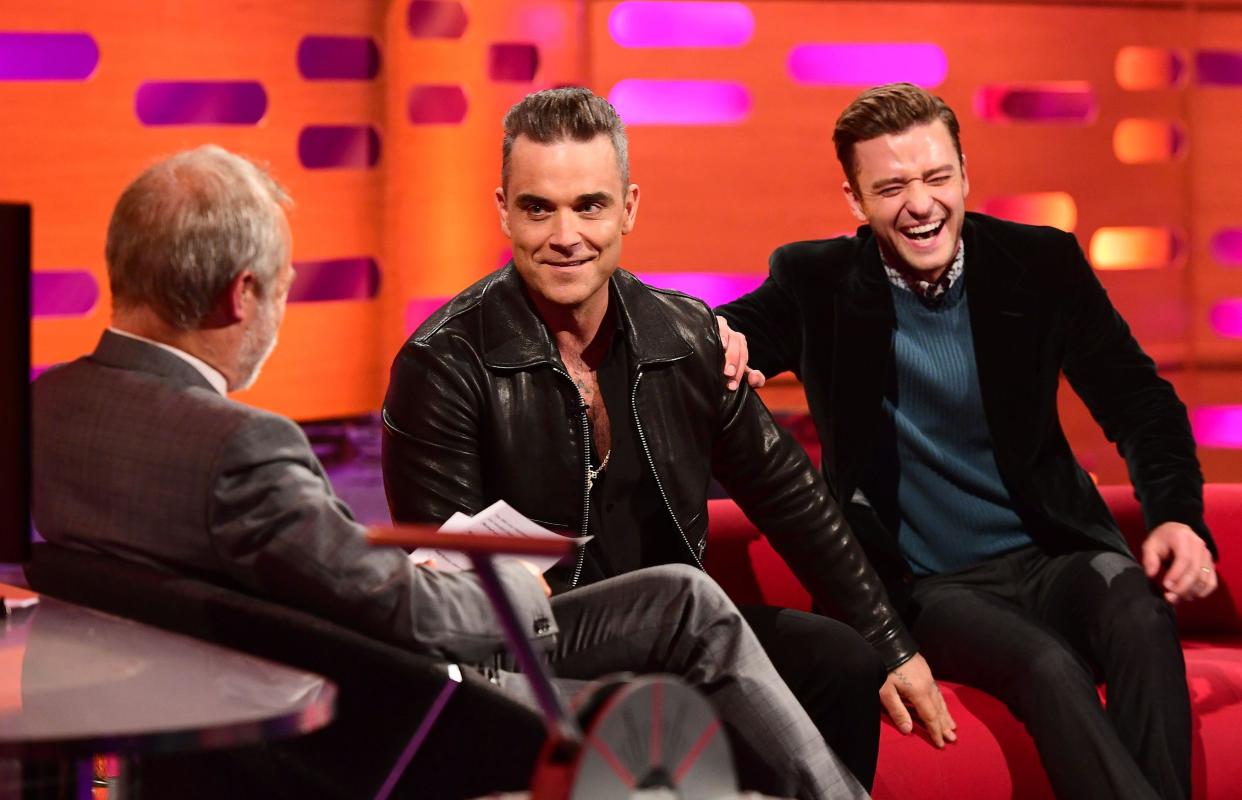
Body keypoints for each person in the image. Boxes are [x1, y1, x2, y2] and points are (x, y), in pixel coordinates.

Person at [31, 145, 862, 800]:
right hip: (404, 707)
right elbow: (405, 612)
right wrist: (522, 591)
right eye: (286, 290)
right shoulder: (244, 447)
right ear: (243, 295)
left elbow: (309, 563)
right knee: (683, 611)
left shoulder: (47, 409)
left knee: (687, 596)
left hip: (229, 691)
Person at [381, 87, 957, 793]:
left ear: (628, 207)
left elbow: (790, 495)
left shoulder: (683, 336)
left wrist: (891, 643)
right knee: (683, 602)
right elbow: (457, 608)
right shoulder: (442, 364)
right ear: (503, 209)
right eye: (539, 208)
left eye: (589, 205)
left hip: (677, 632)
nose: (566, 235)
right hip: (536, 644)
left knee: (837, 659)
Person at [716, 82, 1218, 800]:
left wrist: (1176, 515)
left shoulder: (1040, 263)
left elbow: (1139, 402)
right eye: (890, 187)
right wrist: (719, 339)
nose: (920, 204)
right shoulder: (816, 282)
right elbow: (726, 332)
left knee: (1138, 607)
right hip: (932, 587)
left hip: (1054, 555)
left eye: (936, 177)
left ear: (964, 174)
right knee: (1046, 665)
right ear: (856, 202)